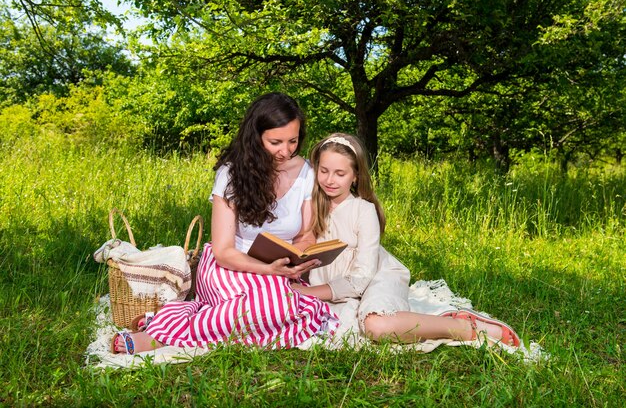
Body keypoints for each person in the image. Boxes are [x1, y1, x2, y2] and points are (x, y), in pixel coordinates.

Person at [111, 93, 338, 354]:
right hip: (231, 265)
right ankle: (163, 333)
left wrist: (299, 257)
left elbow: (307, 234)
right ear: (256, 138)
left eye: (293, 141)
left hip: (279, 270)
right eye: (275, 142)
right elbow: (223, 251)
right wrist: (268, 270)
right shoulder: (231, 174)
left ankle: (180, 320)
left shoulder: (307, 172)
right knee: (281, 308)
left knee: (281, 304)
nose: (285, 151)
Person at [290, 133, 520, 347]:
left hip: (374, 277)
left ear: (355, 176)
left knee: (375, 326)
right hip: (332, 289)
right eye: (324, 171)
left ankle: (462, 326)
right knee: (338, 327)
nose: (330, 180)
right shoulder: (310, 206)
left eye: (340, 174)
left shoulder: (363, 210)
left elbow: (361, 278)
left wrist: (310, 292)